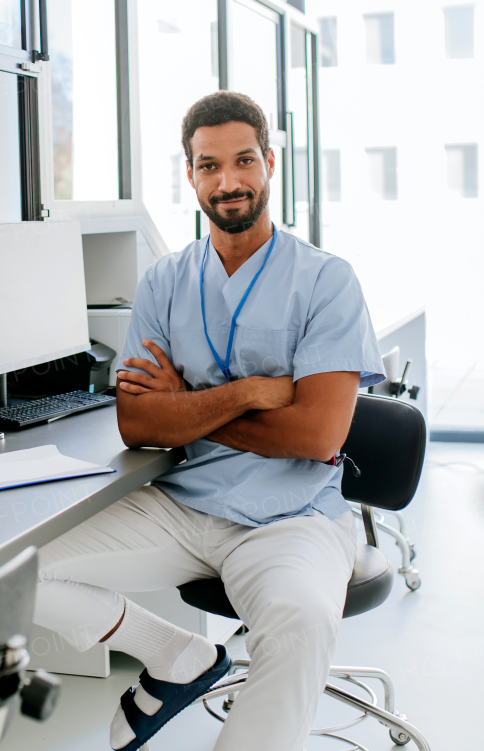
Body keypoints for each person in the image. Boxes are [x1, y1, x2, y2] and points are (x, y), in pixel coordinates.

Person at [32, 91, 385, 751]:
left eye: (244, 160)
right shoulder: (164, 282)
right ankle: (174, 653)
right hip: (182, 505)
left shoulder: (325, 280)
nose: (229, 181)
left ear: (270, 163)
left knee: (302, 618)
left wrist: (187, 406)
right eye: (209, 166)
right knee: (20, 567)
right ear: (190, 175)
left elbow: (317, 435)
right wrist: (251, 391)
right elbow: (137, 421)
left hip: (294, 514)